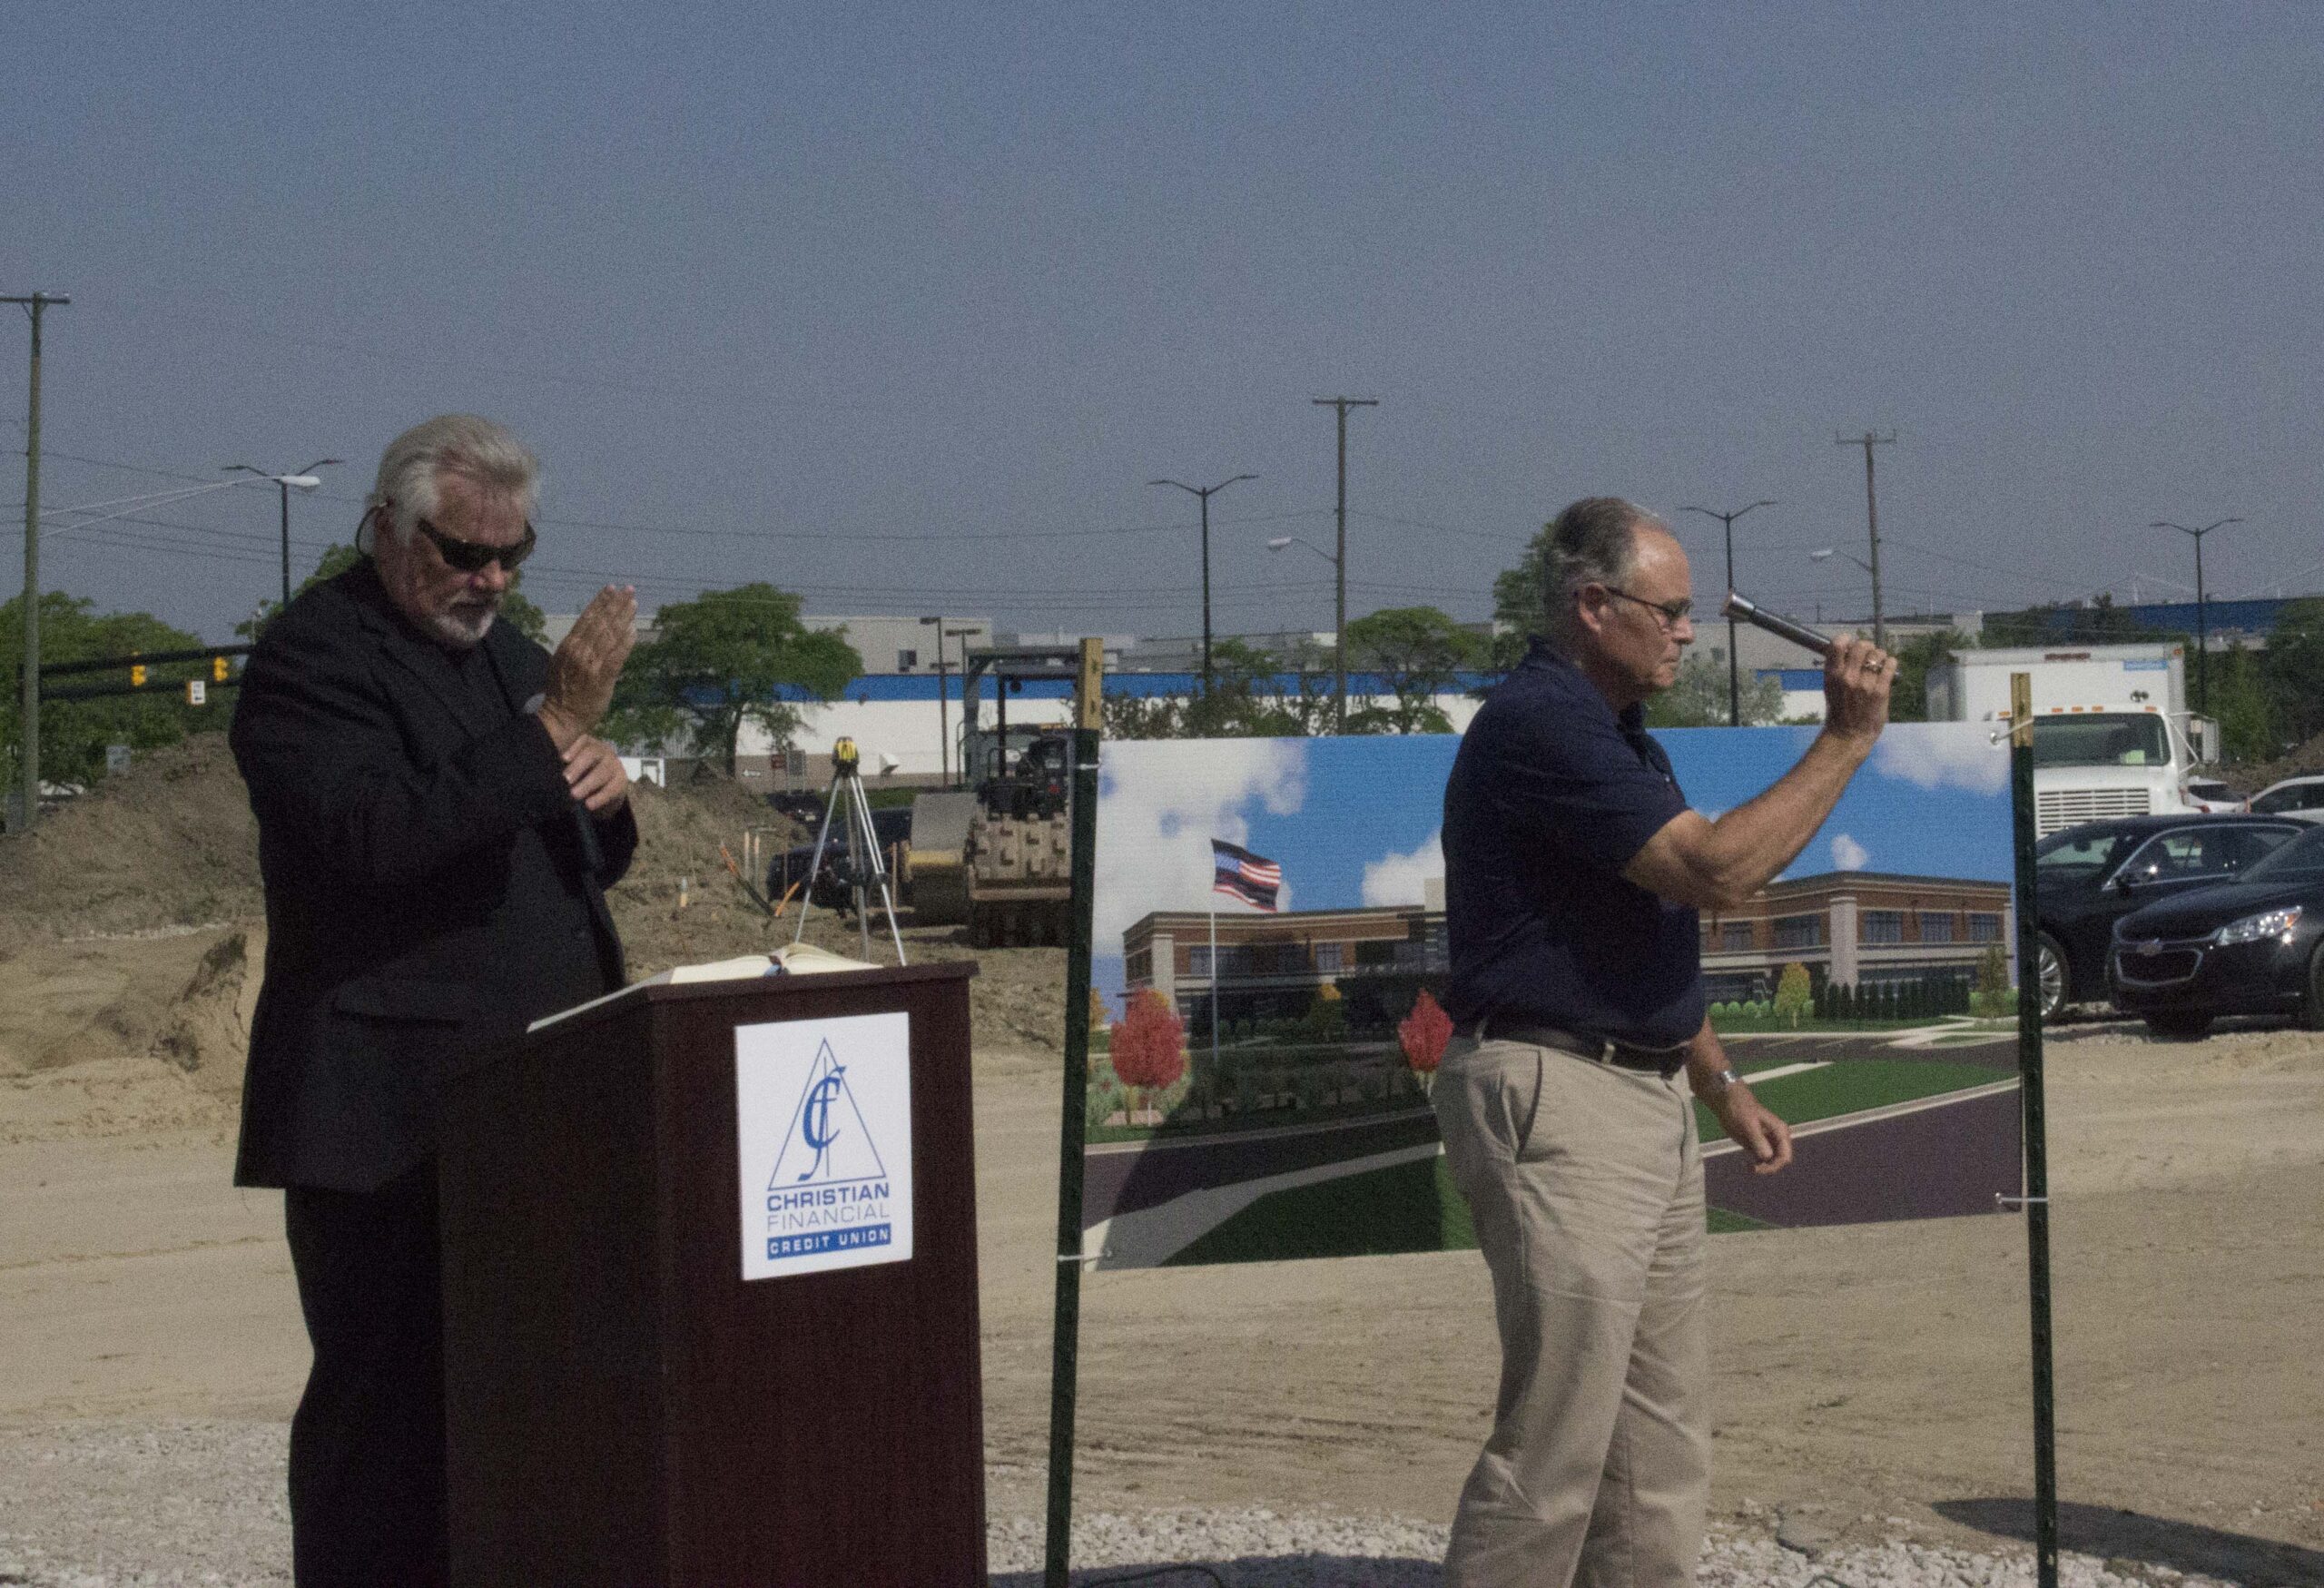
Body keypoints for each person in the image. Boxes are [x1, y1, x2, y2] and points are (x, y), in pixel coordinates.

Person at [1433, 497, 1893, 1588]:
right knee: (1558, 1445)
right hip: (1556, 1093)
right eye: (1673, 611)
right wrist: (1846, 736)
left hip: (1636, 1098)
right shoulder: (1539, 724)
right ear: (1593, 607)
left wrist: (1721, 1083)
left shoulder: (1614, 737)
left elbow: (1639, 938)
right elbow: (1720, 874)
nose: (1689, 633)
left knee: (1656, 1448)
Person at [230, 414, 640, 1586]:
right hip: (390, 1129)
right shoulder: (314, 660)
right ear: (386, 529)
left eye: (511, 554)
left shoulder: (507, 659)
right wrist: (559, 724)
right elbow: (377, 836)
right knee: (391, 1440)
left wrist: (605, 800)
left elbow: (557, 846)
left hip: (533, 1117)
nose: (491, 580)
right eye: (465, 553)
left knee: (519, 1427)